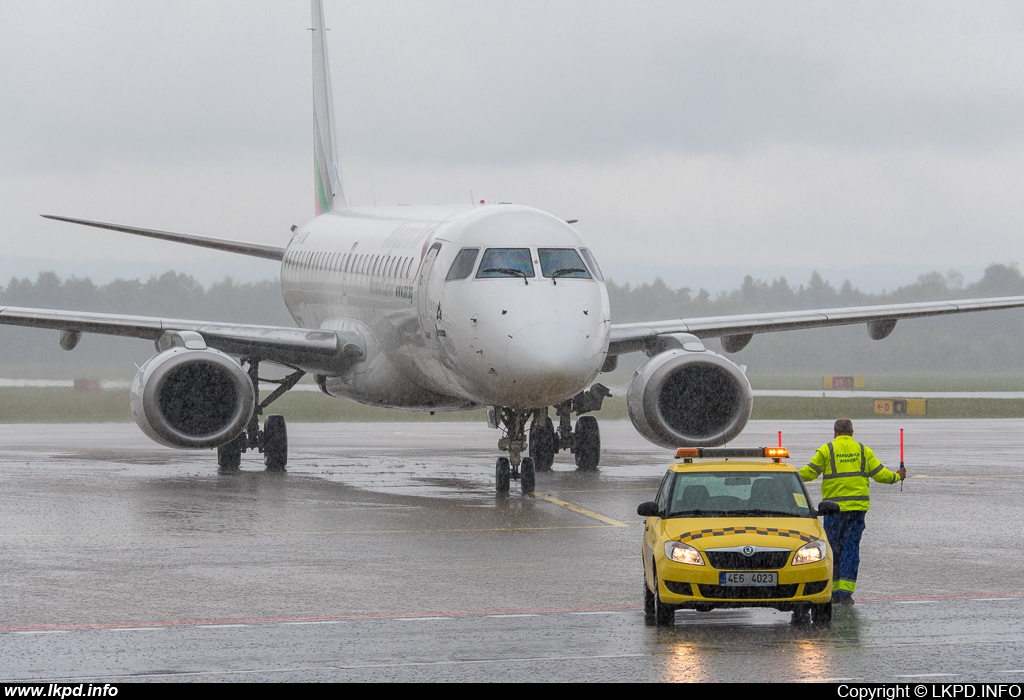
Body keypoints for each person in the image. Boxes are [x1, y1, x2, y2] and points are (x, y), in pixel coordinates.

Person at [799, 418, 906, 606]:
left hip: (833, 510)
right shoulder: (863, 451)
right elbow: (881, 475)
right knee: (851, 549)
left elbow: (809, 473)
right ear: (852, 432)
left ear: (835, 432)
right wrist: (897, 476)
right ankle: (846, 593)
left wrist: (787, 475)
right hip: (856, 510)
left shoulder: (827, 450)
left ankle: (831, 591)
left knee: (833, 550)